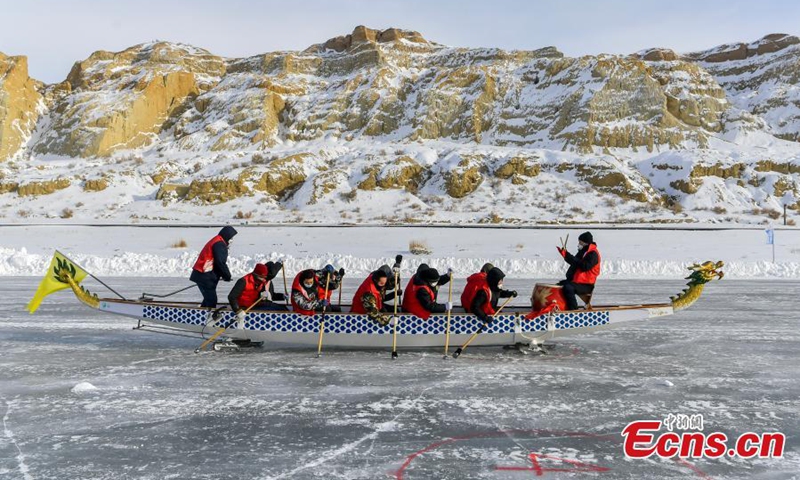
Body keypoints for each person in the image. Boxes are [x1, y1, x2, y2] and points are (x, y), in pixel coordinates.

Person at [190, 226, 237, 307]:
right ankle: (208, 314)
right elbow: (220, 262)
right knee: (211, 300)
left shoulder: (217, 240)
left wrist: (224, 275)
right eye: (231, 238)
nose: (231, 240)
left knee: (208, 298)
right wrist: (227, 275)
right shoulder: (220, 244)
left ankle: (203, 311)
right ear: (227, 236)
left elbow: (216, 262)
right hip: (204, 276)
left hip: (204, 275)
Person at [557, 231, 601, 310]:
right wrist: (566, 254)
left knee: (568, 288)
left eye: (580, 242)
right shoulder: (583, 252)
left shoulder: (593, 254)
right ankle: (562, 306)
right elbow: (574, 262)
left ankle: (573, 309)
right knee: (560, 284)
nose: (579, 244)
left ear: (586, 243)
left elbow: (584, 266)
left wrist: (568, 256)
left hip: (586, 285)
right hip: (577, 281)